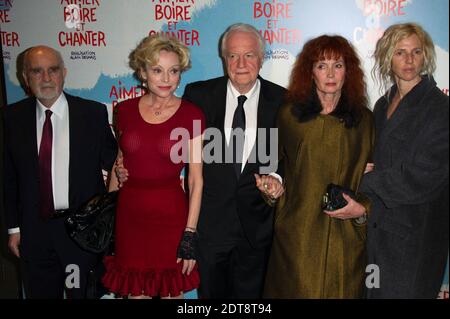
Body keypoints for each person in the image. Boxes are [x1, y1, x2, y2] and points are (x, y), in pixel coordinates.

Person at [116, 23, 286, 298]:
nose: (241, 64)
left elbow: (291, 155)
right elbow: (154, 137)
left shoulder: (283, 101)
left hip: (257, 230)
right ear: (223, 59)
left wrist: (277, 179)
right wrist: (124, 168)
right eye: (233, 56)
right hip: (209, 229)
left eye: (249, 55)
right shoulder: (198, 96)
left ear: (262, 57)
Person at [263, 35, 374, 298]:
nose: (330, 74)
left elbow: (375, 179)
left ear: (348, 71)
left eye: (338, 65)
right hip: (298, 238)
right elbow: (272, 167)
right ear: (310, 73)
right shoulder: (289, 115)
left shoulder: (365, 120)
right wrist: (270, 188)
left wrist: (362, 210)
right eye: (322, 65)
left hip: (346, 240)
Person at [3, 46, 118, 298]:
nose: (46, 78)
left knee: (82, 295)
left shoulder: (92, 114)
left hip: (79, 234)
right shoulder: (12, 118)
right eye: (37, 71)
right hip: (33, 234)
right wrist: (13, 229)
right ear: (25, 77)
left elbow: (116, 165)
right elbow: (9, 178)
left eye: (53, 70)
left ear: (64, 73)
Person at [101, 34, 205, 299]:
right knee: (135, 293)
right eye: (157, 70)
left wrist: (189, 235)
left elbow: (195, 179)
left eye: (173, 71)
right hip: (130, 216)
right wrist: (108, 214)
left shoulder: (192, 114)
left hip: (171, 217)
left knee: (172, 293)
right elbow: (119, 163)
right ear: (143, 72)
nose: (166, 79)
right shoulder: (123, 110)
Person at [359, 23, 449, 299]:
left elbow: (423, 177)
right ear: (388, 56)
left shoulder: (440, 108)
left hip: (416, 240)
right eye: (400, 52)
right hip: (377, 237)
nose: (409, 60)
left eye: (416, 52)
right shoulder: (382, 105)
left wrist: (364, 179)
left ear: (426, 56)